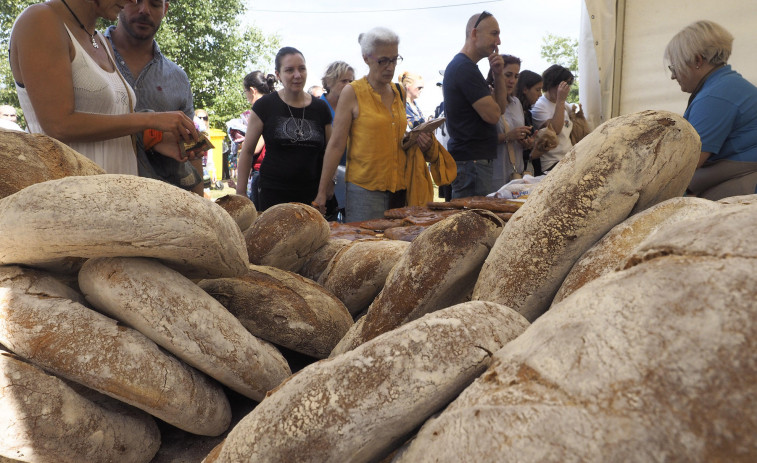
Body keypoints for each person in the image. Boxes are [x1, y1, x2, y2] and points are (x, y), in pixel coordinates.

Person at [9, 0, 198, 175]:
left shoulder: (101, 41)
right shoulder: (41, 19)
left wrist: (155, 140)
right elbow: (59, 125)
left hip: (114, 197)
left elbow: (111, 123)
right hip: (70, 197)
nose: (132, 1)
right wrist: (149, 119)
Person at [313, 27, 455, 222]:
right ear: (366, 58)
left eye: (394, 59)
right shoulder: (353, 92)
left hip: (400, 191)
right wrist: (322, 191)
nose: (390, 67)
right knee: (365, 248)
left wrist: (417, 140)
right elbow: (336, 144)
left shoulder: (399, 92)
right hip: (364, 192)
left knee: (395, 248)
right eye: (383, 60)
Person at [104, 0, 202, 194]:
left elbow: (192, 149)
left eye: (155, 3)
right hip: (95, 198)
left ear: (165, 9)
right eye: (135, 1)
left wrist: (200, 203)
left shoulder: (178, 78)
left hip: (163, 207)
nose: (144, 10)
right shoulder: (88, 57)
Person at [665, 20, 757, 199]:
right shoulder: (727, 85)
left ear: (698, 60)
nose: (672, 75)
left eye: (674, 66)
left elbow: (686, 164)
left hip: (745, 191)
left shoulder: (715, 96)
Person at [235, 47, 332, 211]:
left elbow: (330, 151)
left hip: (312, 195)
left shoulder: (320, 108)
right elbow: (247, 151)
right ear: (278, 75)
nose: (297, 75)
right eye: (289, 70)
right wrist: (241, 193)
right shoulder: (265, 106)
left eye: (302, 68)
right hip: (273, 194)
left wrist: (328, 186)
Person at [443, 11, 508, 198]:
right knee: (473, 222)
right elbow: (494, 115)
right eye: (494, 34)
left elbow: (500, 110)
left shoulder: (467, 67)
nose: (499, 41)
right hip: (472, 164)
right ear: (474, 34)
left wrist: (498, 74)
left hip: (473, 163)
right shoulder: (464, 68)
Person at [486, 55, 532, 189]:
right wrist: (508, 136)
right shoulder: (486, 101)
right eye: (508, 75)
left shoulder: (516, 102)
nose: (512, 81)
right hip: (494, 174)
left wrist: (526, 142)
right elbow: (480, 138)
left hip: (516, 173)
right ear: (495, 74)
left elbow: (516, 136)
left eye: (516, 76)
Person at [233, 71, 276, 207]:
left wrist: (244, 142)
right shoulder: (275, 104)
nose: (246, 96)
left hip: (262, 172)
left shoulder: (262, 109)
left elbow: (255, 147)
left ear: (252, 90)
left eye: (245, 91)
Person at [320, 61, 355, 220]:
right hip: (323, 178)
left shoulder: (354, 107)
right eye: (343, 81)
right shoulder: (318, 107)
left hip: (350, 177)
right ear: (329, 82)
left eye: (351, 81)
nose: (348, 85)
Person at [530, 64, 574, 173]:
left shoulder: (564, 105)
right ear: (552, 83)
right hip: (552, 163)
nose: (566, 88)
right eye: (563, 84)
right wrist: (560, 101)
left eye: (568, 84)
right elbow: (555, 130)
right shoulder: (540, 105)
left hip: (569, 158)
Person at [514, 69, 543, 175]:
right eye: (537, 90)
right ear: (525, 89)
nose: (540, 95)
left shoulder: (528, 114)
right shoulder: (515, 112)